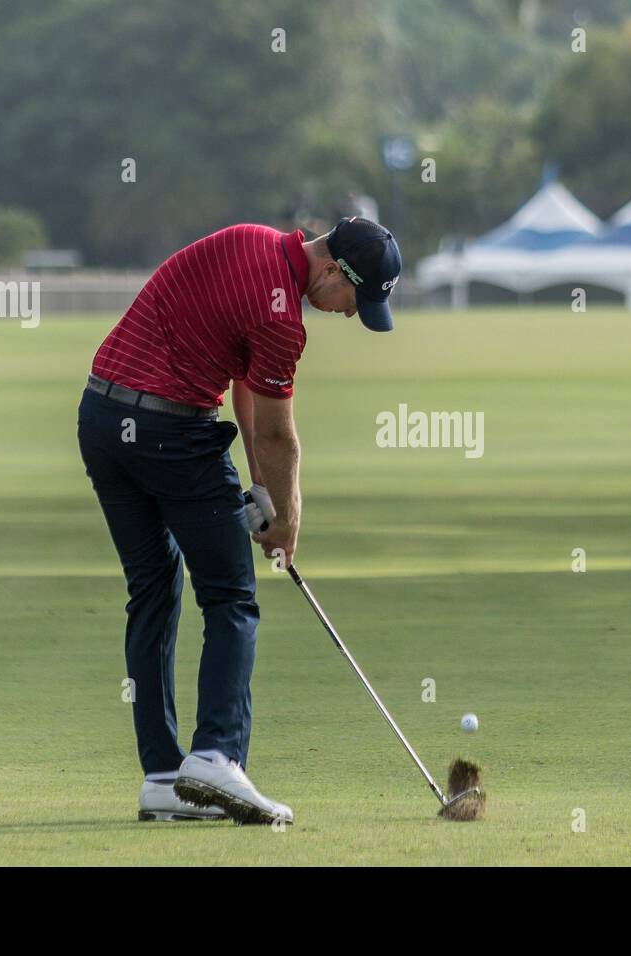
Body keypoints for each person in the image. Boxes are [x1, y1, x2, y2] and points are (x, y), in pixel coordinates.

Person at [76, 217, 402, 824]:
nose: (350, 313)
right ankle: (216, 758)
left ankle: (163, 777)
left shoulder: (252, 240)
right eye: (355, 301)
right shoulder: (283, 320)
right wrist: (287, 525)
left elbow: (243, 379)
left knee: (152, 591)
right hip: (172, 432)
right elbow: (282, 435)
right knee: (231, 596)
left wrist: (259, 491)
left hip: (101, 419)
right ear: (331, 271)